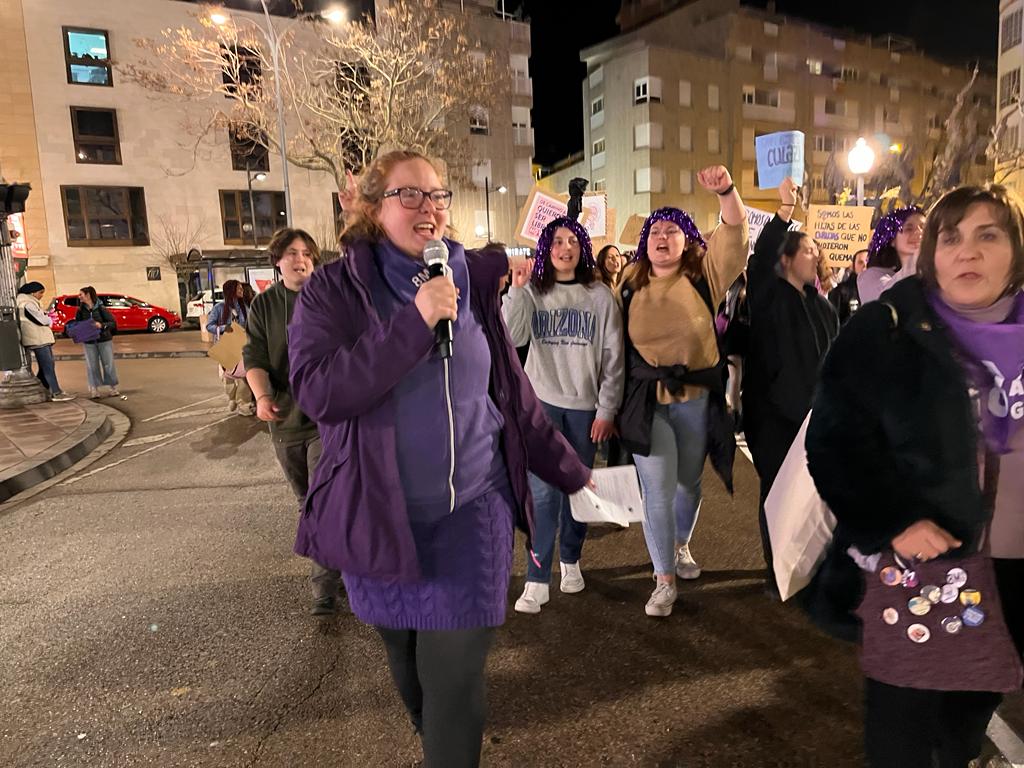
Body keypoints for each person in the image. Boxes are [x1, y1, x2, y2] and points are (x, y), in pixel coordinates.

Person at [288, 149, 591, 768]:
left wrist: (575, 474)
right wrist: (415, 322)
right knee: (408, 669)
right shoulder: (331, 291)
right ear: (374, 208)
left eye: (438, 196)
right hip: (380, 519)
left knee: (454, 682)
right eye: (410, 195)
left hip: (471, 513)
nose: (429, 208)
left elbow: (509, 393)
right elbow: (321, 392)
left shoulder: (469, 282)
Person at [806, 183, 1024, 767]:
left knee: (968, 719)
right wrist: (894, 521)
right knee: (904, 732)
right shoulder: (888, 327)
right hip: (929, 564)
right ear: (930, 254)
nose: (968, 253)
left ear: (1015, 250)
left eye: (988, 235)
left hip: (1015, 568)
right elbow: (834, 442)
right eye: (950, 238)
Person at [618, 165, 749, 617]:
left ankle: (679, 544)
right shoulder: (628, 281)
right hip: (645, 401)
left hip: (695, 398)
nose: (663, 235)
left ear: (688, 240)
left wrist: (727, 191)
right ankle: (663, 579)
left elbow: (734, 230)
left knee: (688, 484)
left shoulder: (704, 275)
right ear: (645, 240)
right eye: (656, 229)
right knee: (656, 490)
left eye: (673, 229)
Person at [502, 217, 625, 614]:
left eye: (573, 240)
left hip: (586, 408)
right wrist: (517, 291)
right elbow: (513, 336)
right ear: (545, 248)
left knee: (579, 490)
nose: (565, 247)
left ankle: (570, 559)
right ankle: (537, 578)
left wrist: (607, 408)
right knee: (541, 494)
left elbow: (613, 357)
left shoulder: (601, 296)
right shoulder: (535, 292)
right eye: (556, 241)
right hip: (543, 406)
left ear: (583, 247)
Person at [743, 178, 839, 594]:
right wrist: (785, 210)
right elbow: (760, 257)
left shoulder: (821, 305)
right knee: (778, 494)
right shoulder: (768, 295)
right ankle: (777, 569)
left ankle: (811, 566)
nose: (816, 254)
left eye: (817, 249)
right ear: (786, 260)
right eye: (808, 249)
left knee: (813, 494)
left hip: (815, 416)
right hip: (774, 416)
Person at [242, 228, 341, 616]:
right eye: (293, 253)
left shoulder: (329, 300)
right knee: (306, 502)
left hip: (325, 421)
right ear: (278, 260)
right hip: (284, 421)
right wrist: (263, 397)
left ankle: (325, 588)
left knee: (322, 499)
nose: (301, 259)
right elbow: (254, 356)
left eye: (308, 254)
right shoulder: (265, 305)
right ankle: (337, 564)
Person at [17, 282, 73, 401]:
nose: (42, 295)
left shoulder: (30, 303)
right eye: (40, 292)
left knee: (47, 366)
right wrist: (49, 319)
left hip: (40, 338)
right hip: (37, 339)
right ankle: (56, 393)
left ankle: (43, 389)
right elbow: (41, 320)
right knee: (48, 366)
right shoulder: (27, 304)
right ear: (32, 292)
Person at [858, 206, 925, 304]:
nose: (919, 232)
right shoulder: (870, 277)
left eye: (924, 227)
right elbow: (884, 297)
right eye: (908, 229)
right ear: (892, 239)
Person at [207, 279, 254, 415]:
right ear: (231, 290)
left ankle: (244, 404)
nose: (241, 291)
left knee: (243, 375)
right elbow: (209, 326)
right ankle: (232, 397)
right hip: (227, 345)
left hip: (243, 345)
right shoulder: (219, 308)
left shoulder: (245, 307)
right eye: (238, 288)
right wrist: (223, 328)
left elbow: (252, 322)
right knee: (228, 377)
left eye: (241, 288)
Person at [74, 286, 120, 399]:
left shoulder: (101, 308)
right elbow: (78, 324)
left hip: (104, 340)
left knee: (108, 364)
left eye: (81, 294)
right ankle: (94, 389)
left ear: (88, 295)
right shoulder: (80, 311)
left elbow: (112, 323)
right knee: (92, 365)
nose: (79, 296)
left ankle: (112, 387)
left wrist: (102, 325)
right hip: (89, 341)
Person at [829, 248, 869, 324]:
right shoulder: (841, 292)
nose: (865, 266)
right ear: (853, 266)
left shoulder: (881, 288)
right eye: (860, 262)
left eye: (868, 262)